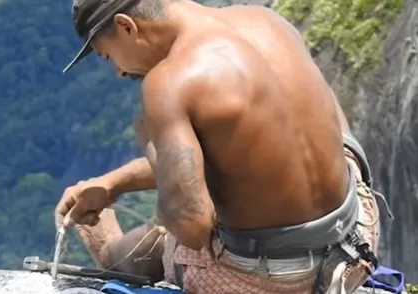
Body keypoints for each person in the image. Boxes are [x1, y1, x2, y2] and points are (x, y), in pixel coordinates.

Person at [56, 0, 393, 293]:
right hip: (356, 239)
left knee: (156, 239)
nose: (118, 70)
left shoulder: (171, 81)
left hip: (280, 280)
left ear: (125, 26)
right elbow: (246, 150)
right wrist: (112, 184)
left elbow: (192, 226)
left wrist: (157, 154)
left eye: (108, 55)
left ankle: (111, 251)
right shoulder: (266, 20)